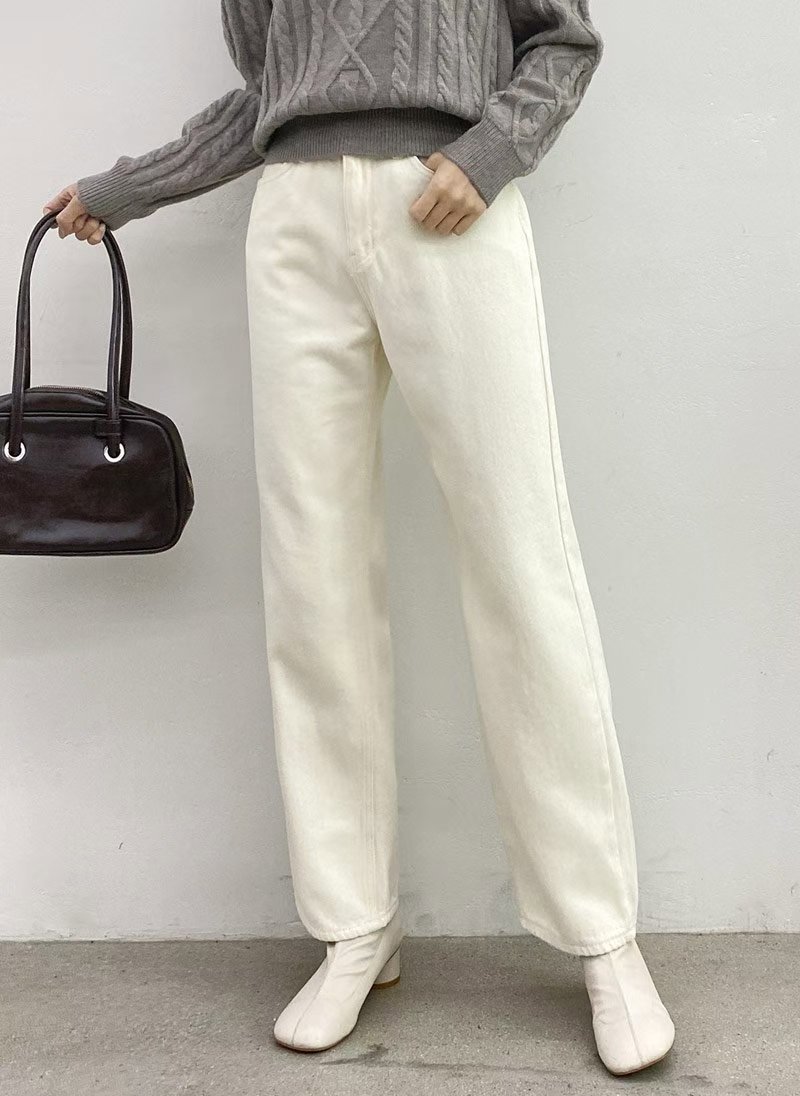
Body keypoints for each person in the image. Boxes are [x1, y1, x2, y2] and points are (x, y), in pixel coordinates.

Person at [44, 0, 675, 1076]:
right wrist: (128, 187)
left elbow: (562, 41)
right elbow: (273, 96)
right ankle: (354, 924)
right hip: (293, 222)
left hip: (451, 204)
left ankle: (602, 933)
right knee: (313, 577)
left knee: (521, 561)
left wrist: (489, 153)